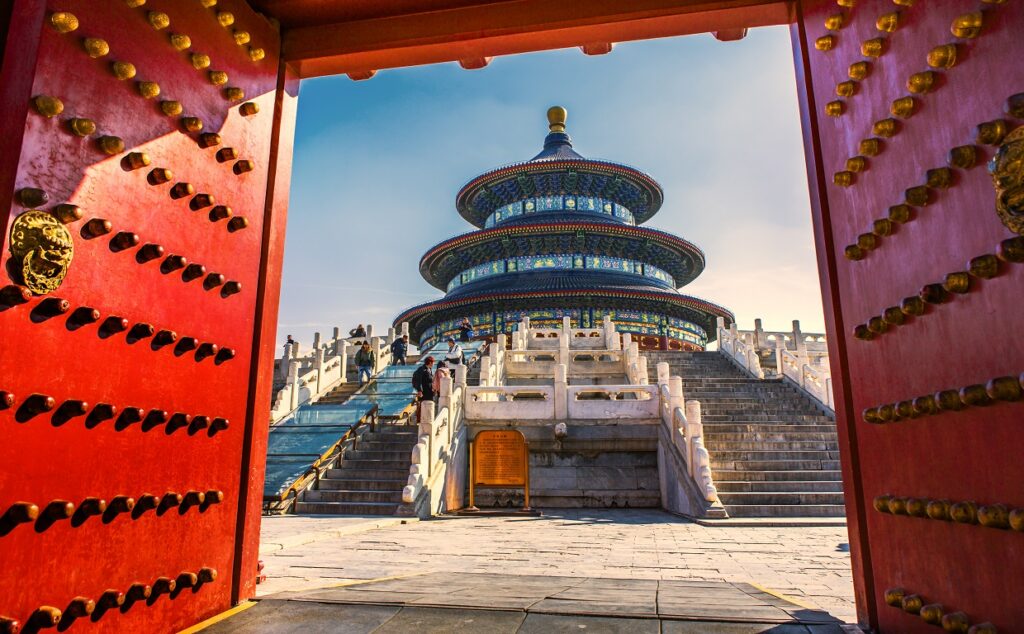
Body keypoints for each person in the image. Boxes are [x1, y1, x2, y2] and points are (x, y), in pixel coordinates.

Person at [411, 356, 435, 422]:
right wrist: (419, 391)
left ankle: (427, 420)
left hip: (429, 392)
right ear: (430, 362)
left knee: (428, 406)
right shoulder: (421, 369)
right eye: (433, 363)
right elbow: (419, 381)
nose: (433, 364)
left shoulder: (429, 369)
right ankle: (420, 421)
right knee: (422, 407)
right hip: (424, 393)